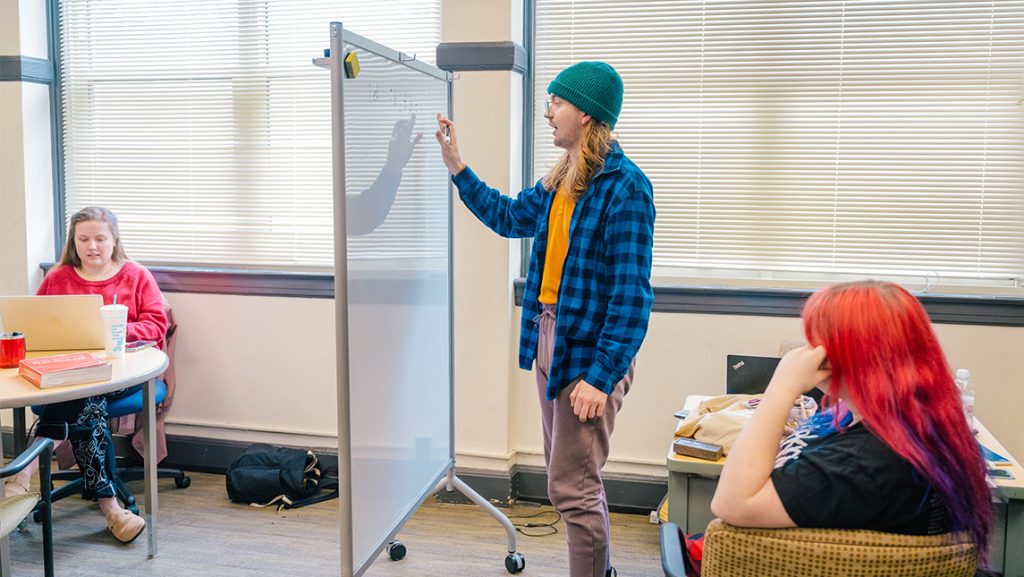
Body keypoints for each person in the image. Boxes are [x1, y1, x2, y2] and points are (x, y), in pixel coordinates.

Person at [436, 61, 655, 577]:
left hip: (588, 354)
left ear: (586, 113)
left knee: (572, 490)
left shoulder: (626, 189)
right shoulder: (562, 179)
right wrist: (457, 167)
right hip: (550, 340)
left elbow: (631, 297)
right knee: (573, 482)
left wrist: (601, 378)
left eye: (557, 101)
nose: (548, 110)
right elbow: (510, 216)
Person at [703, 280, 993, 572]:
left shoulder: (859, 464)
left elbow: (731, 504)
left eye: (816, 341)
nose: (808, 351)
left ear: (849, 354)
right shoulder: (907, 417)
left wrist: (781, 387)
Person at [2, 206, 168, 544]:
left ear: (114, 239)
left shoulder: (135, 275)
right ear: (73, 242)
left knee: (82, 395)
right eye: (84, 239)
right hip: (67, 375)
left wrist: (110, 330)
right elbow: (36, 326)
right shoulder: (58, 278)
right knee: (84, 401)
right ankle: (112, 509)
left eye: (100, 238)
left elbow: (156, 324)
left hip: (121, 374)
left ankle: (23, 472)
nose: (92, 246)